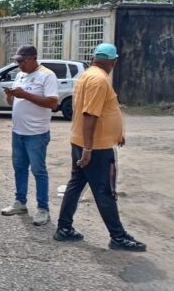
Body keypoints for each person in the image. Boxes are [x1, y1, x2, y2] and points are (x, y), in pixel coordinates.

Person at [53, 43, 146, 252]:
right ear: (113, 62)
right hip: (96, 148)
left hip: (83, 142)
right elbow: (90, 115)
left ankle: (64, 228)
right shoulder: (99, 80)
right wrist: (88, 149)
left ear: (94, 58)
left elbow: (101, 111)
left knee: (76, 185)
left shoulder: (87, 75)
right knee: (105, 191)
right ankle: (118, 237)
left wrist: (117, 133)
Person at [0, 45, 58, 226]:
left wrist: (25, 95)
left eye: (22, 61)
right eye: (17, 61)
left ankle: (43, 209)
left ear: (33, 58)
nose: (19, 65)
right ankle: (20, 202)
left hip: (36, 133)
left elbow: (52, 103)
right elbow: (13, 103)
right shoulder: (20, 75)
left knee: (38, 171)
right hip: (18, 131)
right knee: (19, 168)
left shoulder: (47, 75)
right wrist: (10, 96)